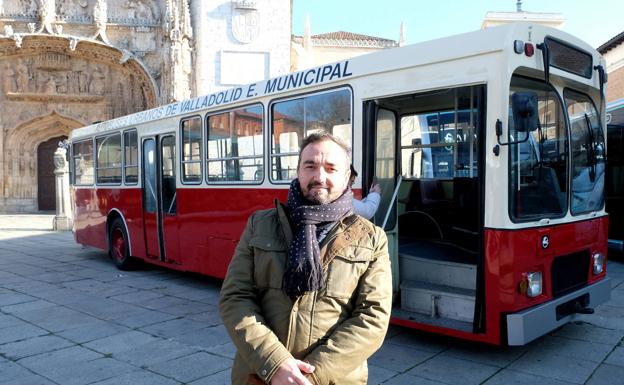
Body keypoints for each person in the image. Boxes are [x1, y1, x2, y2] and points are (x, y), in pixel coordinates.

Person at [219, 132, 392, 385]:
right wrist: (275, 363)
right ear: (298, 171)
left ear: (347, 177)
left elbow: (372, 318)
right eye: (310, 166)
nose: (319, 177)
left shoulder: (372, 238)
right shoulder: (260, 224)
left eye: (331, 168)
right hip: (259, 375)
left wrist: (310, 378)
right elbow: (235, 297)